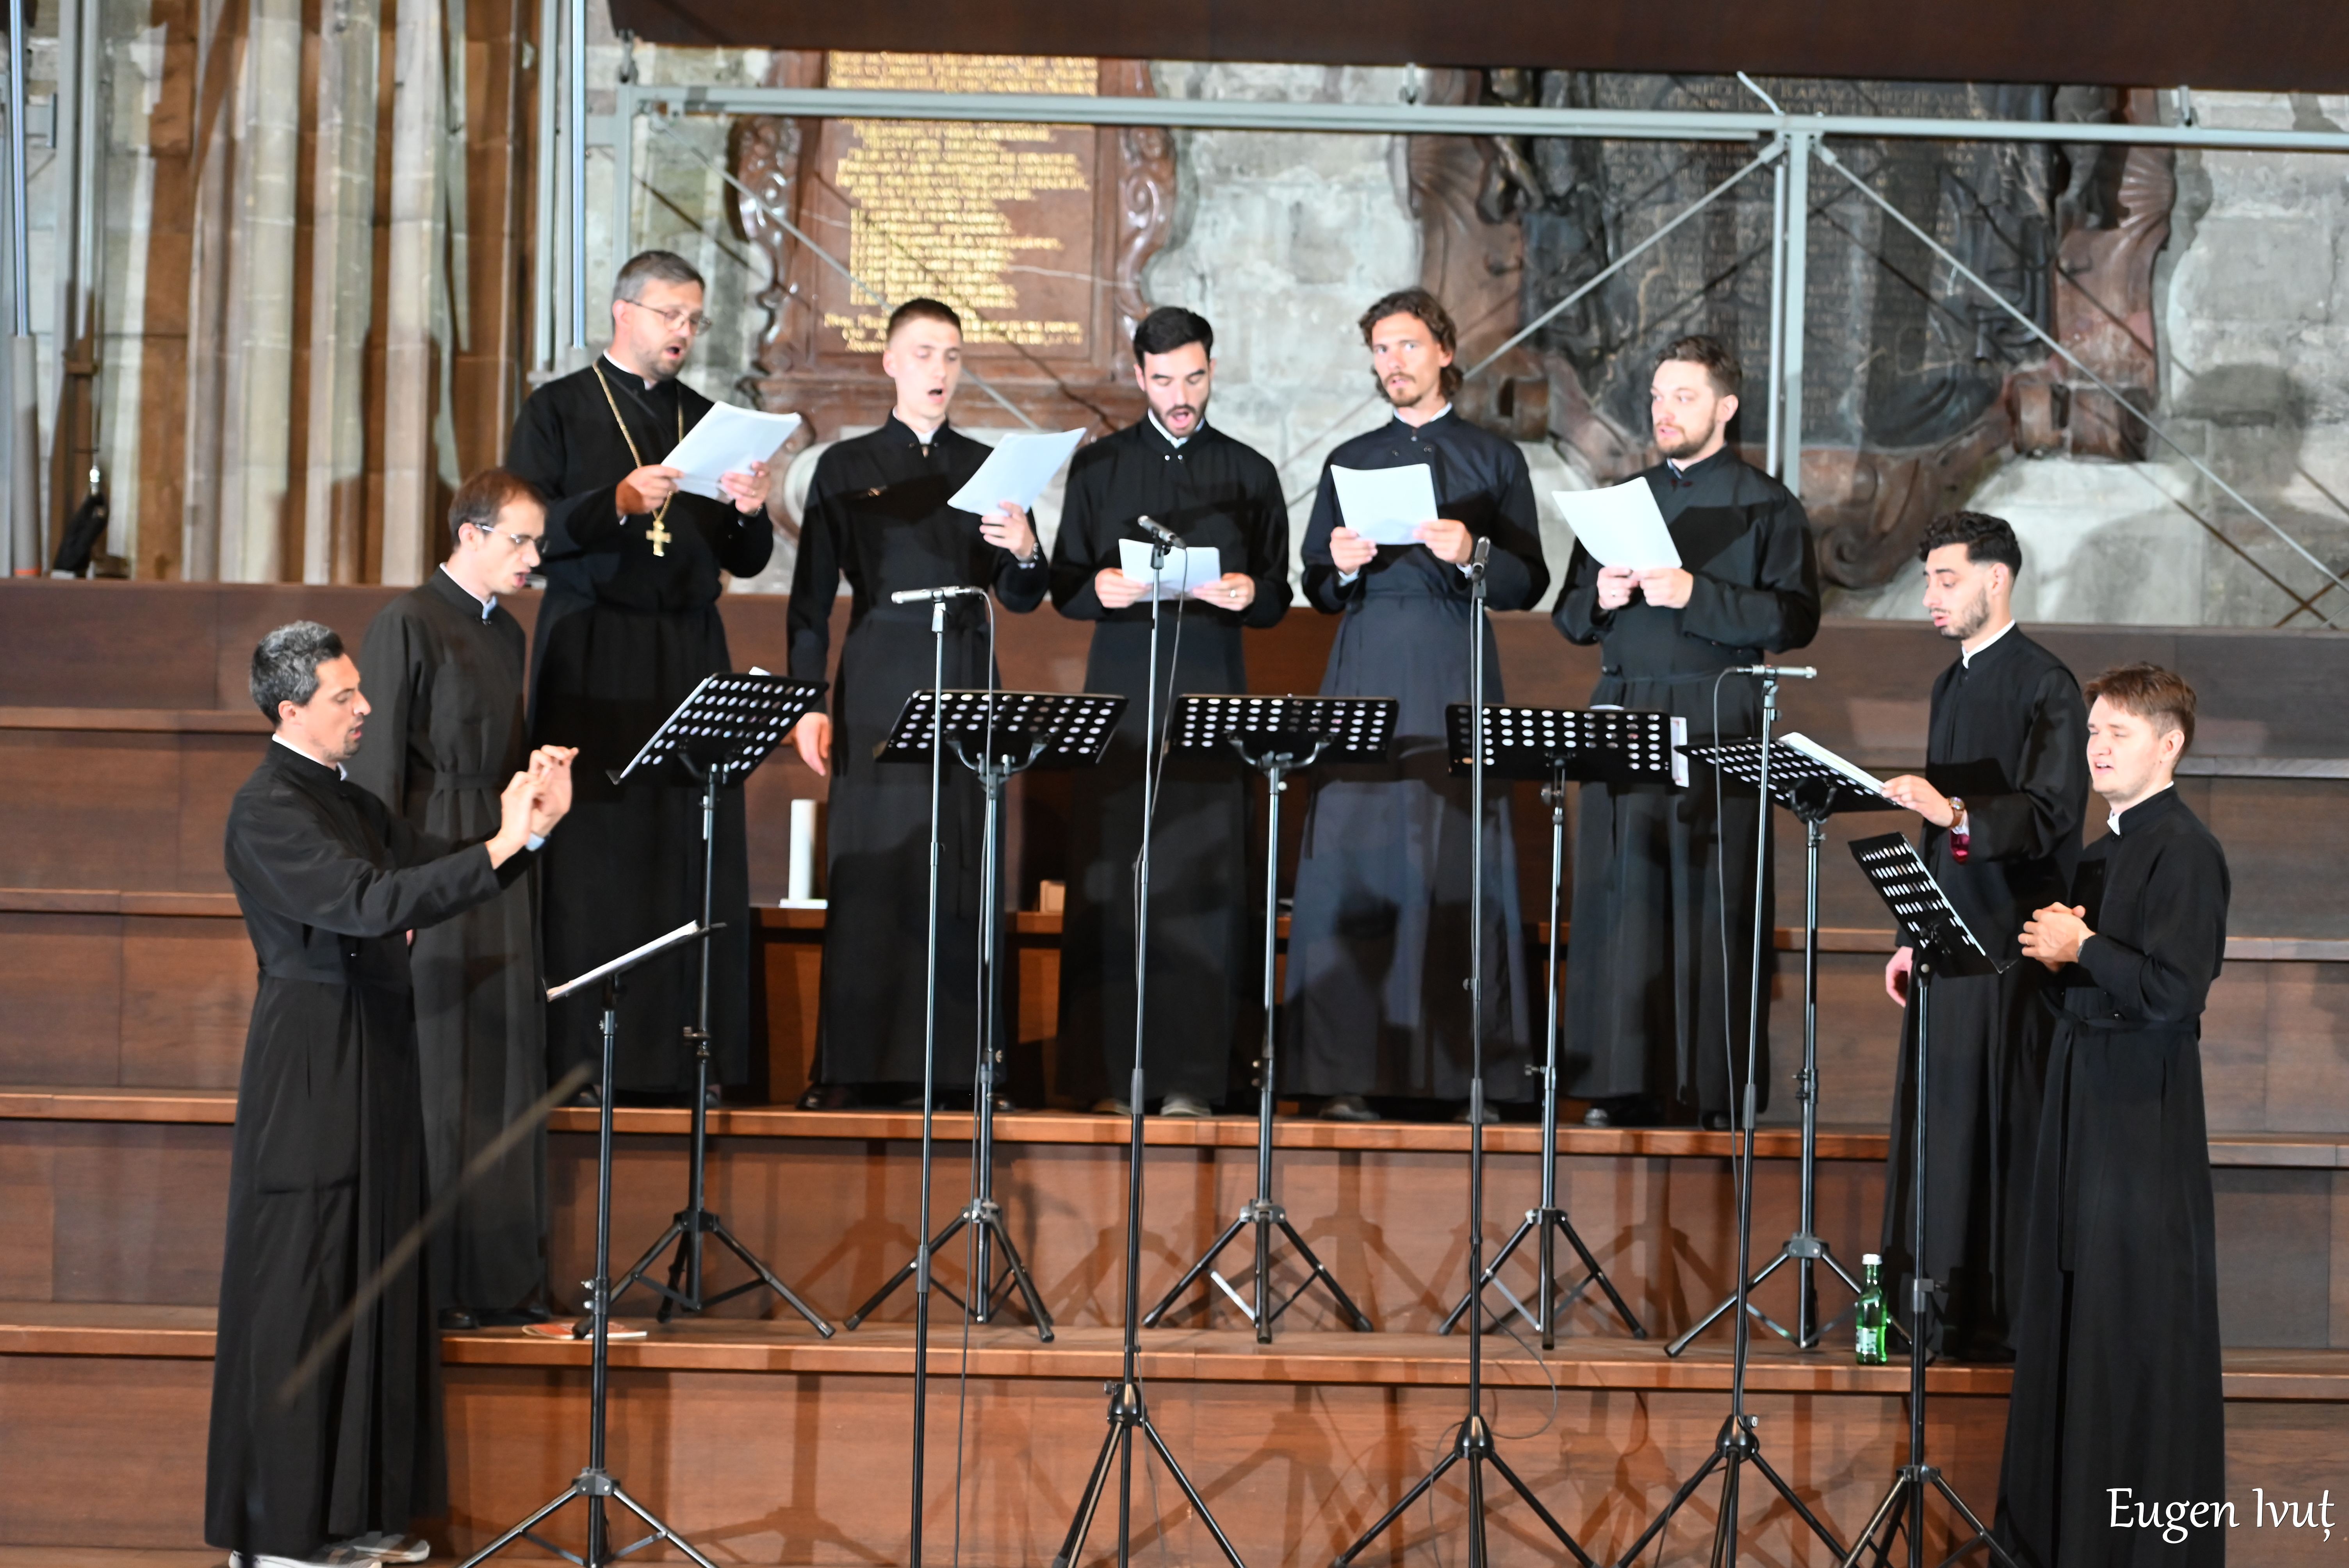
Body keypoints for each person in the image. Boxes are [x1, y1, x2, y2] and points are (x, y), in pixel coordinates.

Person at [207, 622, 573, 1568]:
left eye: (360, 689)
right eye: (342, 695)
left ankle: (352, 1517)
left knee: (372, 1268)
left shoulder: (346, 799)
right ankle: (282, 1537)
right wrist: (499, 842)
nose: (364, 707)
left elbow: (429, 867)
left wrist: (524, 826)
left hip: (374, 1045)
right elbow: (369, 903)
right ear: (290, 710)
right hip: (312, 1056)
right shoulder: (266, 809)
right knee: (306, 1280)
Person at [506, 249, 775, 1100]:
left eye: (694, 319)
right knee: (596, 849)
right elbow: (528, 527)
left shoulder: (707, 418)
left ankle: (690, 1054)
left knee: (687, 842)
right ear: (624, 311)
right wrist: (614, 504)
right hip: (590, 645)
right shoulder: (556, 409)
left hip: (689, 647)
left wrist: (750, 509)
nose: (684, 333)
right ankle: (585, 1061)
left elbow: (746, 556)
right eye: (671, 316)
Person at [1283, 287, 1547, 1123]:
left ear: (1441, 349)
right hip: (1364, 660)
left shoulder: (1492, 458)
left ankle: (1467, 1073)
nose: (1390, 363)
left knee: (1455, 854)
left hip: (1451, 661)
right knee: (1355, 854)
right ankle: (1344, 1073)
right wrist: (1344, 563)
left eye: (1404, 346)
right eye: (1378, 350)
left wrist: (1473, 550)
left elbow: (1527, 580)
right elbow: (1316, 585)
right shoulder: (1349, 459)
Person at [1553, 335, 1820, 1130]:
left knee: (1715, 897)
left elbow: (1794, 618)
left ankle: (1714, 1088)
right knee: (1618, 894)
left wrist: (1691, 593)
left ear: (1724, 407)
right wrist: (1602, 594)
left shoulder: (1765, 503)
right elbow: (1569, 618)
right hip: (1624, 703)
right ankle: (1617, 1081)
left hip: (1716, 706)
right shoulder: (1619, 499)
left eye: (1683, 397)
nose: (1664, 412)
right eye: (1659, 397)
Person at [788, 298, 1047, 1109]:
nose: (940, 371)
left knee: (964, 861)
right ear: (891, 363)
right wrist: (806, 701)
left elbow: (1026, 593)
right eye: (926, 354)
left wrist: (1027, 551)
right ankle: (854, 1067)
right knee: (872, 861)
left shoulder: (990, 462)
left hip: (967, 663)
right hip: (878, 670)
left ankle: (969, 1065)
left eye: (953, 357)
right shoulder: (843, 465)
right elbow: (808, 601)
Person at [1997, 665, 2228, 1568]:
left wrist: (2084, 946)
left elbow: (2174, 993)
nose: (2095, 747)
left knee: (2130, 1326)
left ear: (2167, 745)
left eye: (2117, 733)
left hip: (2141, 1118)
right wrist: (2057, 966)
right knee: (2072, 1317)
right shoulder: (2097, 854)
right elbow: (2084, 988)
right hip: (2081, 1101)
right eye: (2092, 731)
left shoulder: (2187, 850)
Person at [1049, 305, 1292, 1116]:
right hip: (1121, 707)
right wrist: (1099, 590)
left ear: (1210, 369)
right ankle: (1108, 1076)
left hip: (1212, 702)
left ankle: (1197, 1076)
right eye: (1162, 380)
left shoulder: (1250, 473)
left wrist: (1251, 590)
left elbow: (1276, 597)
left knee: (1206, 887)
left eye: (1192, 377)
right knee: (1115, 886)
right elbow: (1062, 587)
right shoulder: (1100, 469)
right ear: (1138, 376)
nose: (1179, 395)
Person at [1874, 512, 2088, 1360]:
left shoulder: (2048, 685)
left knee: (1995, 1125)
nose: (1929, 596)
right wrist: (1906, 931)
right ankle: (1927, 1310)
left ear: (1995, 581)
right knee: (1939, 1122)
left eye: (1945, 579)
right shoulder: (1949, 683)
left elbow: (2052, 814)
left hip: (2011, 943)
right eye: (1927, 579)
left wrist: (1957, 811)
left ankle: (1991, 1319)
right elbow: (1933, 833)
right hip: (1944, 938)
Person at [349, 469, 554, 1331]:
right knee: (441, 1075)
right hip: (429, 858)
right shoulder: (406, 623)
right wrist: (387, 898)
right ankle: (430, 1285)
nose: (534, 559)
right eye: (520, 540)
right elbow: (377, 773)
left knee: (503, 1069)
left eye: (538, 543)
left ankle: (497, 1279)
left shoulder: (507, 632)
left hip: (497, 859)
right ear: (469, 534)